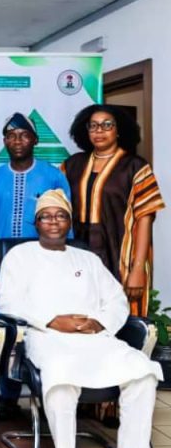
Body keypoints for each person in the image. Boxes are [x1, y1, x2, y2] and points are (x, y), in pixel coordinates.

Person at [0, 189, 161, 448]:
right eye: (46, 216)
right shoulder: (19, 256)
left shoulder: (88, 259)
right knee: (61, 377)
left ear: (69, 222)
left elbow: (117, 300)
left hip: (95, 339)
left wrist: (99, 322)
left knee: (143, 372)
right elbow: (7, 301)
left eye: (60, 215)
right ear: (36, 223)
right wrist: (52, 320)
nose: (53, 221)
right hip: (47, 337)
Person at [61, 104, 164, 317]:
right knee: (79, 315)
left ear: (118, 130)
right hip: (79, 254)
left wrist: (138, 269)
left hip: (120, 255)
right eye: (93, 126)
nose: (99, 131)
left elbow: (144, 218)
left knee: (121, 318)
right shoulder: (72, 165)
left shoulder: (136, 167)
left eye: (107, 125)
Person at [0, 112, 71, 300]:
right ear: (5, 141)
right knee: (3, 313)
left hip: (45, 263)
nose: (17, 141)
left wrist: (63, 264)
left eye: (24, 135)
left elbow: (66, 224)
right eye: (11, 136)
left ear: (35, 140)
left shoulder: (54, 177)